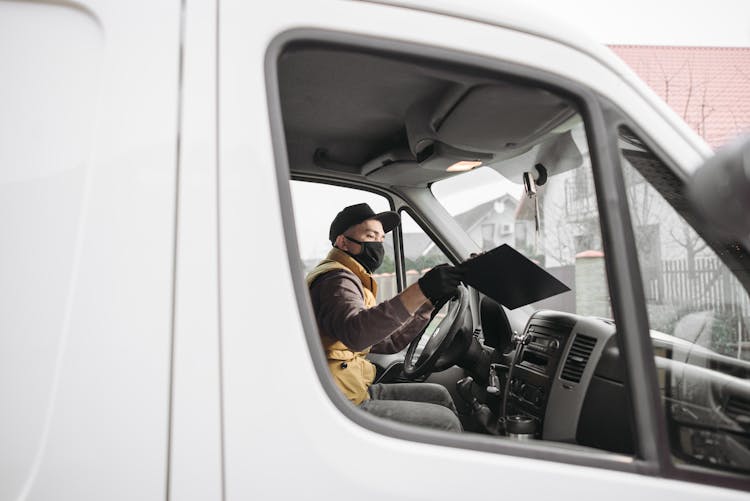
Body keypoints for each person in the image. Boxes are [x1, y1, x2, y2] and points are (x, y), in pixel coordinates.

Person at [306, 203, 464, 432]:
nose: (378, 245)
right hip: (341, 400)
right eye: (370, 236)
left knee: (438, 395)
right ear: (343, 242)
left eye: (381, 239)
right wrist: (420, 289)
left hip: (352, 387)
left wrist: (427, 303)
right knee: (446, 422)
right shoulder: (336, 280)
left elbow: (387, 342)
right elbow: (357, 333)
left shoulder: (352, 278)